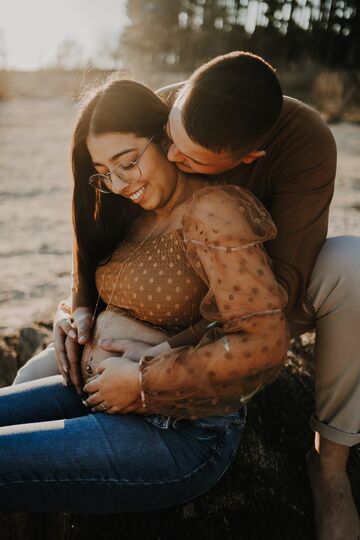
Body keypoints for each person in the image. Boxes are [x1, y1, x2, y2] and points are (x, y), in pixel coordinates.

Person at [1, 76, 288, 512]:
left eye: (127, 162)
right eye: (104, 174)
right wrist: (69, 314)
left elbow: (263, 344)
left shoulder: (213, 210)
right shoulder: (138, 215)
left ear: (165, 138)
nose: (118, 184)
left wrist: (143, 380)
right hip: (94, 389)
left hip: (179, 427)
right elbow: (110, 289)